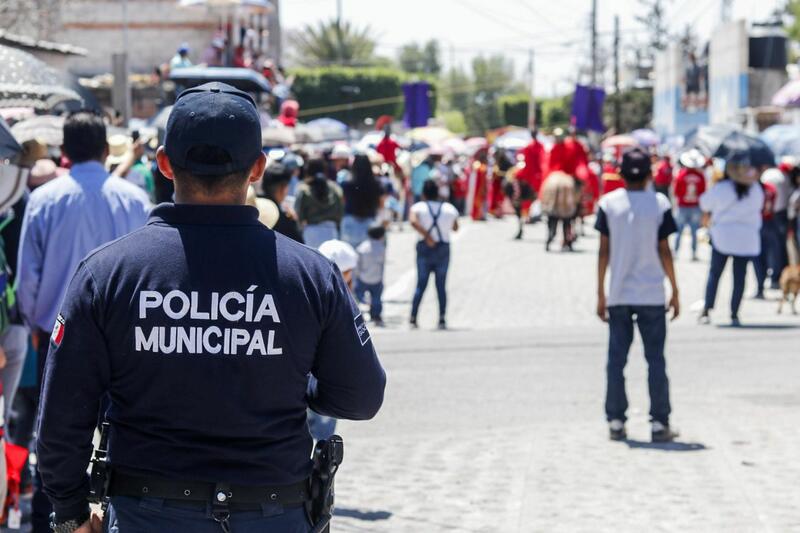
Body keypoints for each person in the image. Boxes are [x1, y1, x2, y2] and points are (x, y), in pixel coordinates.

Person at [37, 83, 386, 533]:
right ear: (257, 168)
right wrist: (295, 385)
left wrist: (70, 514)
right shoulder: (312, 275)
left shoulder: (106, 273)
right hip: (273, 511)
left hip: (148, 512)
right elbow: (361, 396)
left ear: (164, 162)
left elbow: (62, 413)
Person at [16, 111, 151, 533]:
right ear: (103, 149)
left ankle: (52, 521)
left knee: (54, 438)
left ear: (65, 152)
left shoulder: (44, 199)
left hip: (58, 337)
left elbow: (28, 278)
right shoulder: (133, 199)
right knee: (123, 440)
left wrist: (38, 326)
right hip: (127, 344)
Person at [595, 148, 679, 443]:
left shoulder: (608, 203)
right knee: (655, 359)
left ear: (619, 174)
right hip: (652, 292)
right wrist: (675, 289)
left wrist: (600, 293)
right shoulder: (659, 204)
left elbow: (604, 250)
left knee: (616, 360)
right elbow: (665, 250)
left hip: (619, 291)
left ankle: (616, 420)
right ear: (649, 174)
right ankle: (659, 422)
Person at [698, 155, 764, 326]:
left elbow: (704, 204)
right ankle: (734, 313)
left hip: (723, 236)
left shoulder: (722, 188)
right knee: (740, 277)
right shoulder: (755, 188)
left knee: (715, 274)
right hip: (746, 239)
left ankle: (707, 308)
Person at [409, 179, 459, 330]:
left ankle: (413, 317)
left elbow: (412, 221)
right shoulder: (449, 208)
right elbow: (456, 227)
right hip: (443, 247)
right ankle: (442, 318)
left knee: (421, 284)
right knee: (441, 286)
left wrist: (427, 236)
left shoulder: (418, 207)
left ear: (424, 193)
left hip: (424, 247)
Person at [294, 157, 344, 249]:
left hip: (311, 232)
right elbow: (340, 211)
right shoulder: (335, 188)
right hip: (331, 231)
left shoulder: (303, 189)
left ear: (307, 170)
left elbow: (298, 214)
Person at [341, 154, 383, 248]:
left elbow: (343, 202)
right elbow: (381, 204)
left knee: (349, 259)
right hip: (370, 223)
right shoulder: (376, 183)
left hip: (350, 221)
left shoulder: (346, 184)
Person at [260, 156, 304, 244]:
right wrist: (293, 221)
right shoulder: (284, 218)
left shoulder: (253, 208)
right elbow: (298, 243)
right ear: (282, 188)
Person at [672, 149, 707, 260]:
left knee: (679, 231)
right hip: (695, 206)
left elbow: (676, 191)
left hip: (683, 206)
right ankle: (694, 253)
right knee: (694, 231)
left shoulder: (681, 175)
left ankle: (675, 252)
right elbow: (703, 192)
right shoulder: (700, 176)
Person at [355, 225, 387, 326]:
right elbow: (382, 263)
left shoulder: (362, 247)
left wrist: (358, 275)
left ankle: (359, 312)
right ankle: (376, 315)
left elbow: (357, 264)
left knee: (358, 295)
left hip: (363, 277)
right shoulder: (382, 248)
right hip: (376, 278)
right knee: (377, 298)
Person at [753, 175, 778, 299]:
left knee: (757, 259)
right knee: (768, 255)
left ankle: (760, 288)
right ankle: (768, 281)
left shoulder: (754, 189)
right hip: (770, 223)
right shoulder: (771, 188)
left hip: (757, 224)